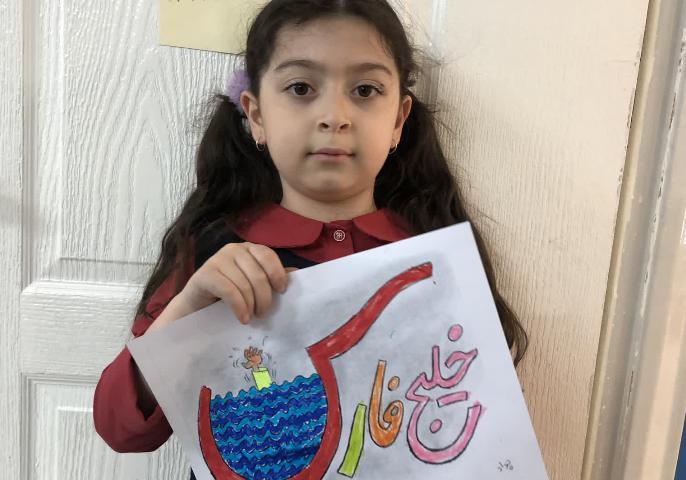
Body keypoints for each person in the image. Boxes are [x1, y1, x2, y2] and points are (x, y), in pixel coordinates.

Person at [93, 0, 528, 477]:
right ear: (256, 116)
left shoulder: (436, 260)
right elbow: (120, 427)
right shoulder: (213, 257)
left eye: (365, 90)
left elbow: (479, 422)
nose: (334, 115)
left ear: (398, 121)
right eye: (301, 88)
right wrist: (190, 305)